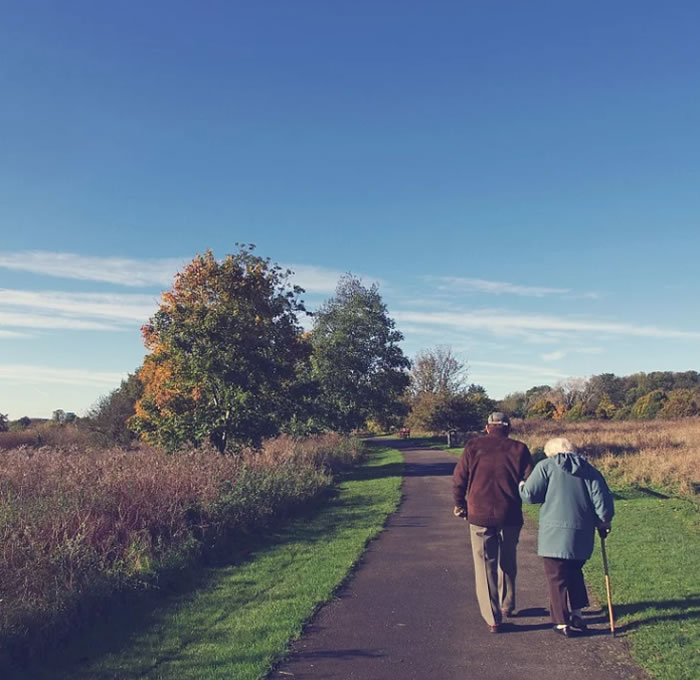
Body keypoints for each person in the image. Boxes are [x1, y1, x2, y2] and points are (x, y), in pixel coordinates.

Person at [519, 437, 614, 637]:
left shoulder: (546, 467)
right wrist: (604, 522)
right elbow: (602, 503)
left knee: (556, 577)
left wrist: (521, 485)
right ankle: (577, 614)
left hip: (553, 535)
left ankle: (561, 622)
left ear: (551, 453)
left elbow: (529, 495)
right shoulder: (590, 470)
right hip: (581, 533)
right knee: (574, 572)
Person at [452, 412, 534, 633]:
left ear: (487, 427)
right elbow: (530, 481)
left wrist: (460, 504)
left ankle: (493, 617)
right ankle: (507, 604)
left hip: (479, 514)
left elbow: (459, 478)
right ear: (508, 429)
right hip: (510, 514)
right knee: (508, 560)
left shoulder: (472, 447)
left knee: (485, 565)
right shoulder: (520, 449)